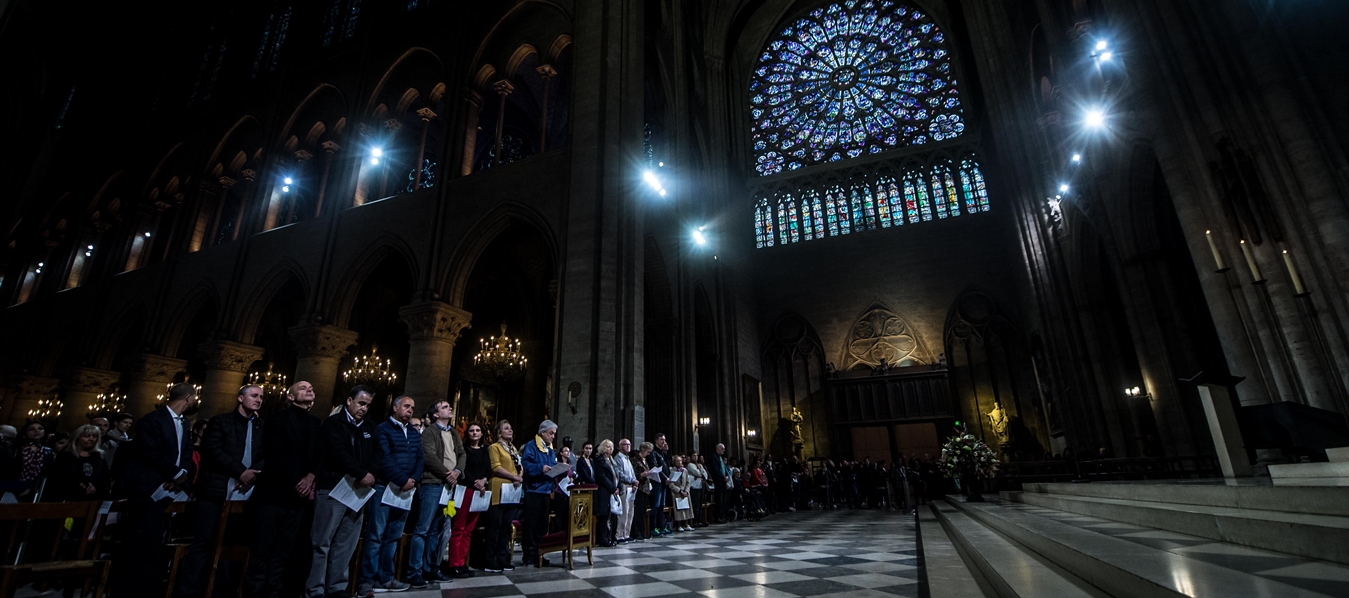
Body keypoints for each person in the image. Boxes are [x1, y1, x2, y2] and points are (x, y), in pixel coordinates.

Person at [111, 383, 198, 598]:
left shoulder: (185, 422)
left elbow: (187, 451)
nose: (197, 401)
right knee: (141, 540)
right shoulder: (152, 420)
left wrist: (182, 472)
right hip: (149, 487)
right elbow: (148, 451)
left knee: (162, 538)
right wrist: (174, 473)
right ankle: (133, 588)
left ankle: (156, 584)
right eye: (195, 397)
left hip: (173, 486)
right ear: (188, 397)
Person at [181, 384, 266, 598]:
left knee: (233, 544)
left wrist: (254, 473)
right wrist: (240, 472)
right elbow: (213, 450)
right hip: (216, 490)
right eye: (254, 395)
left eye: (261, 397)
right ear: (240, 398)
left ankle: (223, 591)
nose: (259, 400)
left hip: (247, 492)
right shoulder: (221, 421)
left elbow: (267, 453)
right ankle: (190, 591)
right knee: (204, 542)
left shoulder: (262, 426)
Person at [245, 380, 322, 598]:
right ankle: (255, 593)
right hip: (274, 494)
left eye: (311, 388)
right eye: (303, 388)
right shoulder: (276, 420)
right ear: (290, 396)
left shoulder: (316, 423)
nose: (309, 390)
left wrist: (310, 477)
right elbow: (274, 456)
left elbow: (318, 455)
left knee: (284, 550)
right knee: (263, 549)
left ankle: (275, 591)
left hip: (299, 496)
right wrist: (296, 482)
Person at [306, 386, 381, 598]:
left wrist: (370, 474)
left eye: (368, 405)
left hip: (358, 492)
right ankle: (315, 590)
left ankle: (337, 587)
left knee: (346, 543)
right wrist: (360, 473)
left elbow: (378, 452)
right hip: (333, 488)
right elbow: (336, 452)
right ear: (349, 401)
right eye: (361, 403)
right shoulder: (333, 424)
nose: (364, 409)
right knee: (322, 542)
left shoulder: (369, 427)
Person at [358, 395, 424, 594]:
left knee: (394, 535)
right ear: (395, 408)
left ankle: (386, 577)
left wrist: (413, 478)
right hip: (384, 487)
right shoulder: (382, 429)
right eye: (406, 406)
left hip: (405, 490)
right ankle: (367, 579)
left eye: (412, 407)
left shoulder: (413, 432)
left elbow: (420, 457)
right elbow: (384, 458)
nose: (410, 410)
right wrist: (402, 479)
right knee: (376, 535)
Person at [408, 399, 464, 588]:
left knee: (437, 530)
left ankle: (431, 568)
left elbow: (462, 454)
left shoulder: (454, 432)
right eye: (445, 407)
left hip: (449, 486)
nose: (450, 409)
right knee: (423, 529)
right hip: (433, 483)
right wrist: (447, 474)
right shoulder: (430, 432)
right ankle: (414, 571)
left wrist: (457, 472)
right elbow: (429, 456)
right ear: (436, 414)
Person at [448, 422, 489, 578]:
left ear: (482, 433)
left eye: (478, 430)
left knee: (469, 530)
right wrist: (476, 483)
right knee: (459, 528)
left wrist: (484, 480)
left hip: (480, 491)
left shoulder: (485, 450)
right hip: (466, 489)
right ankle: (454, 564)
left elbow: (488, 469)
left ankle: (462, 562)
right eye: (471, 430)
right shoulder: (463, 450)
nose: (474, 433)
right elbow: (462, 469)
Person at [484, 419, 523, 573]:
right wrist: (514, 477)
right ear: (499, 433)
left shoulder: (513, 449)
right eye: (506, 428)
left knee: (506, 526)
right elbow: (496, 467)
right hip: (499, 488)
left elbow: (520, 466)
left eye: (511, 428)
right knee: (495, 525)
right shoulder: (495, 447)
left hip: (512, 490)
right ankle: (490, 560)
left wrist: (520, 475)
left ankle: (503, 558)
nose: (510, 430)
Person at [520, 419, 559, 567]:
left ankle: (538, 552)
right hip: (534, 489)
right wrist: (540, 468)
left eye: (554, 434)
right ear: (542, 433)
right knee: (531, 524)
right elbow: (526, 465)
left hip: (546, 490)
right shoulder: (531, 446)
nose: (553, 437)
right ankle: (528, 554)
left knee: (542, 525)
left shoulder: (549, 449)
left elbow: (553, 464)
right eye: (551, 433)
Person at [47, 424, 108, 502]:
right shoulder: (66, 455)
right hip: (68, 497)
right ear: (77, 437)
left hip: (93, 498)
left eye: (94, 436)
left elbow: (104, 478)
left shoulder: (99, 457)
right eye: (86, 436)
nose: (91, 439)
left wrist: (96, 487)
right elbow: (59, 477)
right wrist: (82, 488)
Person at [593, 439, 618, 546]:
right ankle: (604, 539)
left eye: (611, 447)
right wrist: (612, 488)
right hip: (604, 491)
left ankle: (612, 537)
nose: (610, 449)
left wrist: (619, 486)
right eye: (608, 446)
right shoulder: (599, 460)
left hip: (613, 491)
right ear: (603, 448)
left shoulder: (612, 460)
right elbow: (602, 477)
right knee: (604, 516)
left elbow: (617, 474)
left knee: (613, 515)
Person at [613, 439, 637, 543]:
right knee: (624, 512)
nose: (628, 446)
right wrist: (632, 481)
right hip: (624, 487)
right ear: (620, 446)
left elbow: (632, 472)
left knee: (630, 512)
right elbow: (620, 474)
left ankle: (627, 533)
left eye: (629, 444)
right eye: (626, 445)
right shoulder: (618, 458)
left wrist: (634, 483)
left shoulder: (627, 458)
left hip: (631, 487)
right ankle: (620, 535)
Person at [648, 433, 672, 536]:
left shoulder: (662, 453)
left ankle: (661, 526)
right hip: (657, 482)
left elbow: (668, 463)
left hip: (664, 483)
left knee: (662, 505)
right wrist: (664, 478)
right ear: (656, 440)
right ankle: (653, 527)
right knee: (656, 505)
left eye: (664, 439)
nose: (664, 441)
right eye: (661, 439)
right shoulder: (653, 453)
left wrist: (666, 452)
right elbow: (655, 467)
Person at [549, 445, 576, 533]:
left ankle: (565, 534)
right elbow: (556, 475)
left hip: (568, 491)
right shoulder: (558, 464)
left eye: (568, 451)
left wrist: (572, 478)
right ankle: (558, 533)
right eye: (565, 451)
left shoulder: (569, 465)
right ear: (561, 453)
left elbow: (572, 475)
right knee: (560, 514)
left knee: (567, 514)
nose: (568, 452)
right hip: (559, 491)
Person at [632, 442, 654, 538]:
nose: (649, 454)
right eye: (648, 452)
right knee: (638, 511)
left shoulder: (645, 460)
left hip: (645, 488)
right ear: (643, 450)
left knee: (643, 512)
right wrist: (641, 475)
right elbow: (633, 475)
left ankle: (642, 531)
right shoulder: (635, 460)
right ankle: (636, 532)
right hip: (639, 488)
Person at [667, 455, 694, 531]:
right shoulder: (673, 470)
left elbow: (688, 482)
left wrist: (686, 491)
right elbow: (671, 484)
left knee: (686, 508)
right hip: (677, 492)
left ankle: (686, 524)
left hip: (685, 491)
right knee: (678, 509)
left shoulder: (685, 470)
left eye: (680, 461)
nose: (679, 462)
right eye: (677, 461)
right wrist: (679, 491)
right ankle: (678, 525)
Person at [707, 443, 729, 523]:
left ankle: (722, 516)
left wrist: (726, 476)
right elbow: (716, 470)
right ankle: (717, 517)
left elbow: (724, 468)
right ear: (718, 449)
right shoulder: (714, 457)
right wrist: (723, 477)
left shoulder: (720, 457)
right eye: (722, 449)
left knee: (724, 499)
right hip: (718, 481)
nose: (724, 451)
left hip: (723, 481)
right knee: (719, 499)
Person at [686, 452, 706, 526]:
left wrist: (701, 474)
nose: (695, 457)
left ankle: (699, 520)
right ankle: (694, 521)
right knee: (695, 504)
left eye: (696, 455)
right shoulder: (690, 465)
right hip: (694, 487)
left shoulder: (700, 465)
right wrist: (700, 474)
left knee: (700, 504)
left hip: (700, 486)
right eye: (693, 455)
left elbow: (705, 474)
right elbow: (696, 473)